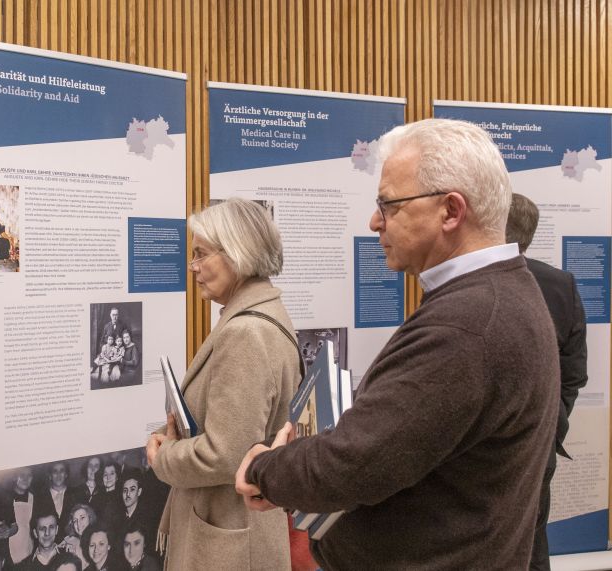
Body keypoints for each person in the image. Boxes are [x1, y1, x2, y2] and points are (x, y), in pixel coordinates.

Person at [235, 118, 560, 570]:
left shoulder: (468, 323)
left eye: (388, 205)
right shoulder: (501, 292)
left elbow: (354, 465)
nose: (374, 222)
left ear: (450, 211)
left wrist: (264, 469)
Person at [145, 198, 299, 570]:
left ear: (237, 253)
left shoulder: (246, 331)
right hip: (238, 528)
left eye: (201, 254)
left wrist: (164, 456)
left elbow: (225, 455)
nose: (193, 267)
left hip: (232, 538)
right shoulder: (258, 314)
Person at [506, 192, 589, 570]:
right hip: (539, 443)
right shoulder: (562, 284)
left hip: (489, 449)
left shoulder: (468, 283)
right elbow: (574, 374)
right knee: (533, 542)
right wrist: (551, 422)